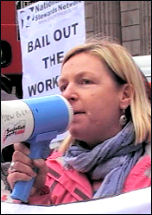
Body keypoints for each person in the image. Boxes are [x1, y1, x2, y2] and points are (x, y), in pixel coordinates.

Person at [7, 38, 151, 205]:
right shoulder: (49, 174)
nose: (68, 94)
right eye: (63, 86)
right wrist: (33, 197)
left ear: (125, 95)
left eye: (85, 82)